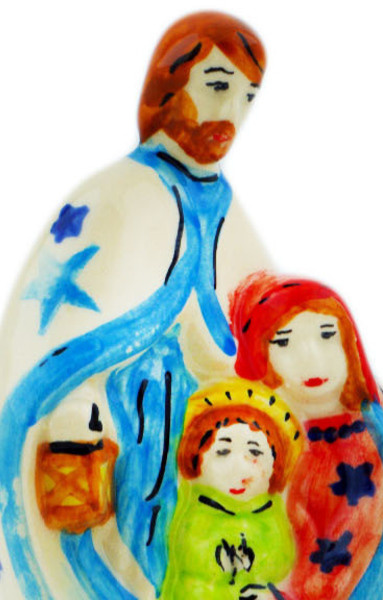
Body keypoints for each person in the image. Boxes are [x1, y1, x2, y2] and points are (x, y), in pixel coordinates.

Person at [0, 12, 272, 600]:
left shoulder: (226, 207)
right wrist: (80, 405)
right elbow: (64, 331)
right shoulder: (116, 195)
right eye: (216, 86)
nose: (232, 113)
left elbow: (268, 322)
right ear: (168, 87)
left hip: (206, 444)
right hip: (124, 429)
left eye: (247, 96)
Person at [230, 271, 383, 600]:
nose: (311, 358)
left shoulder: (380, 432)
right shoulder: (264, 443)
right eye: (284, 342)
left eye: (326, 335)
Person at [161, 381, 303, 599]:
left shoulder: (270, 512)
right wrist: (221, 559)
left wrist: (254, 561)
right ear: (196, 457)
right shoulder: (195, 508)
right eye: (222, 451)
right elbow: (190, 550)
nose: (239, 468)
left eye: (255, 452)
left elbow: (281, 559)